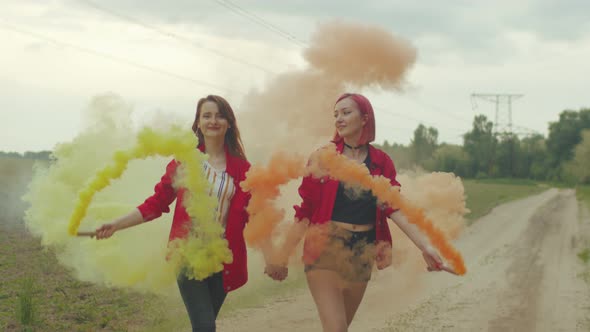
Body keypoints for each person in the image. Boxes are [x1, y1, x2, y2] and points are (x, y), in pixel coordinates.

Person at [265, 93, 449, 332]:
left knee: (340, 327)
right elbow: (305, 212)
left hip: (362, 251)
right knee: (337, 329)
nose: (339, 119)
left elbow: (395, 208)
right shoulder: (323, 158)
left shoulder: (381, 162)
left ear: (364, 118)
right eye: (336, 114)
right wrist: (282, 255)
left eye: (346, 112)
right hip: (324, 248)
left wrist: (426, 246)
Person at [95, 95, 251, 332]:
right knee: (205, 327)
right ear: (197, 123)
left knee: (204, 326)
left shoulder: (242, 169)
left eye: (220, 115)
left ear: (229, 123)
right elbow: (156, 204)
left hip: (224, 260)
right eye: (206, 115)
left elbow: (253, 215)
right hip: (188, 255)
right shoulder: (184, 162)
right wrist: (117, 224)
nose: (213, 120)